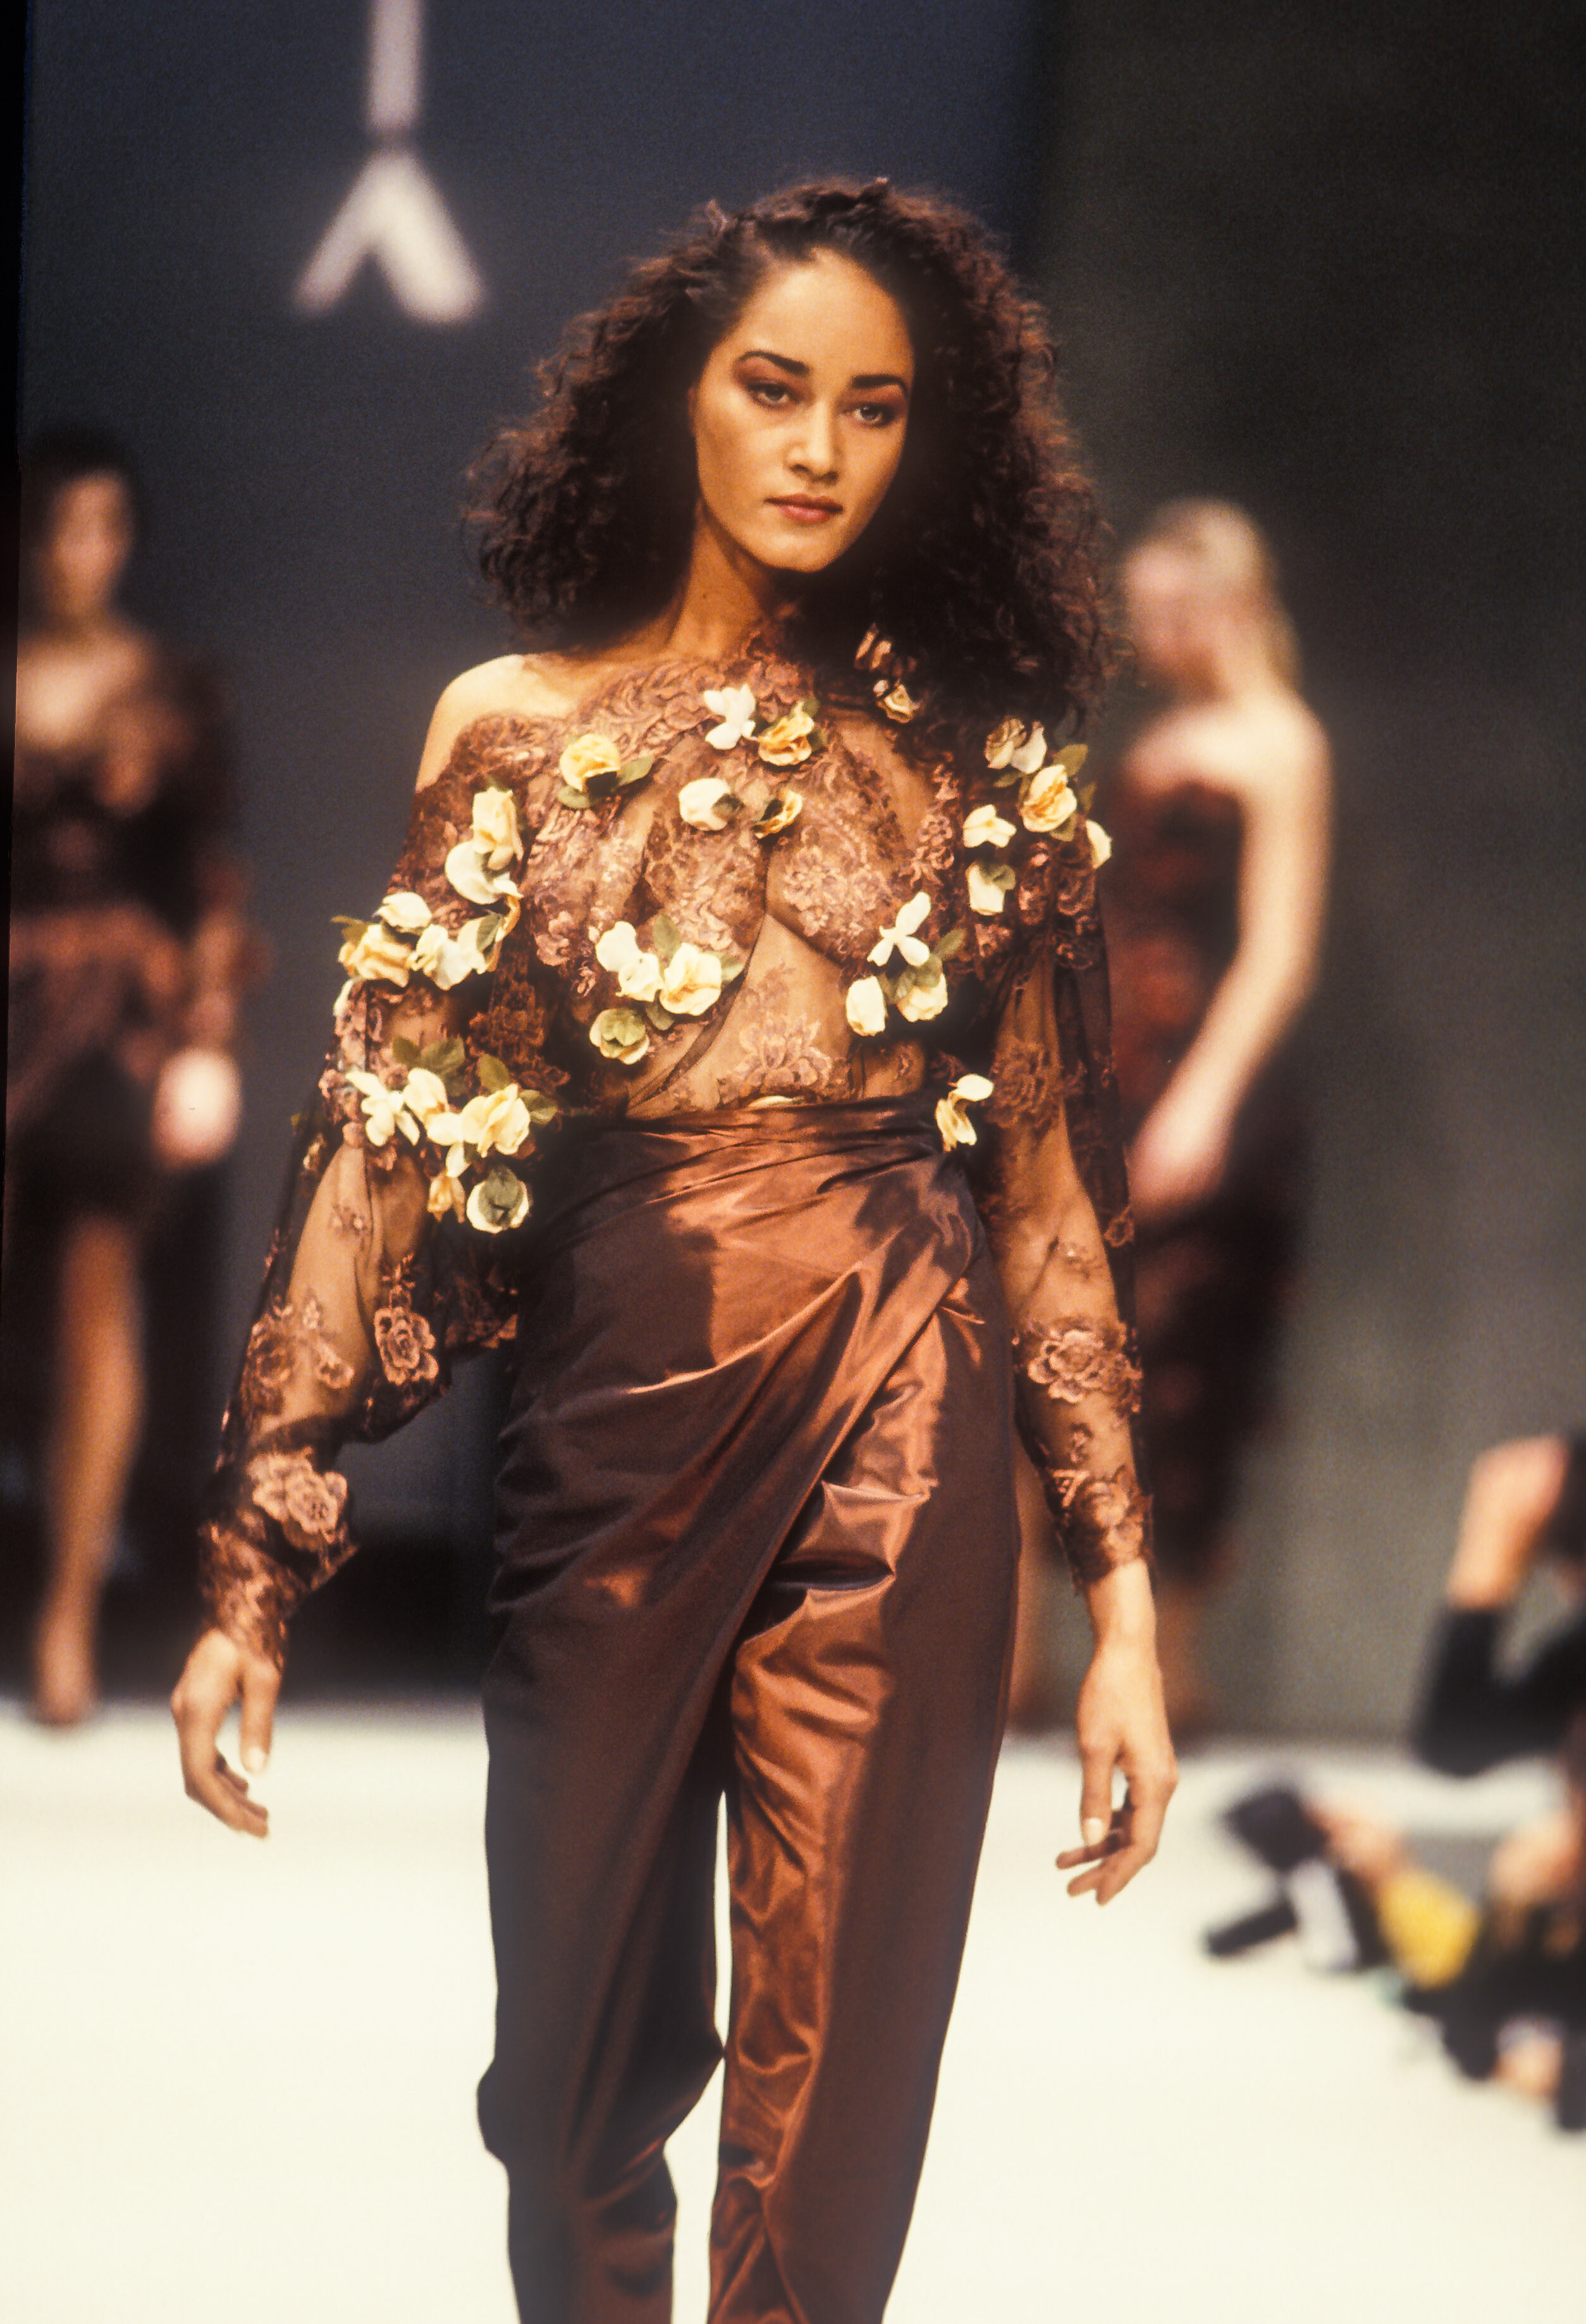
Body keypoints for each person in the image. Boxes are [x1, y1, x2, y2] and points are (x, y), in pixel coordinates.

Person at [170, 181, 1176, 2323]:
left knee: (832, 2095)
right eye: (774, 388)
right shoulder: (512, 730)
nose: (818, 448)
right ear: (676, 398)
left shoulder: (976, 763)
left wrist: (1119, 1606)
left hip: (903, 1393)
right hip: (608, 1416)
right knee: (564, 2093)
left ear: (931, 436)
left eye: (873, 407)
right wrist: (258, 1561)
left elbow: (1044, 1196)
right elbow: (380, 1132)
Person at [1014, 499, 1330, 1733]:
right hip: (1116, 1067)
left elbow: (1279, 953)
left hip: (1210, 1083)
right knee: (1062, 1345)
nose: (1147, 637)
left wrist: (1203, 1098)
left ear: (1223, 606)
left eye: (1165, 613)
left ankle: (1168, 1669)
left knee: (1184, 1367)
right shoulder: (1161, 737)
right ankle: (1031, 1661)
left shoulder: (1280, 743)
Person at [8, 430, 253, 1725]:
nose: (76, 553)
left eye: (100, 526)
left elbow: (210, 882)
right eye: (57, 524)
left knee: (97, 1316)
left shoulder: (166, 690)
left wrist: (209, 1041)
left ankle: (66, 1621)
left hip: (114, 1020)